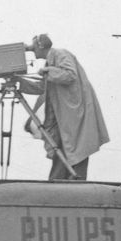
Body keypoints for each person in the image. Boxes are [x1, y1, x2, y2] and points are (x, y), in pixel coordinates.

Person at [14, 34, 109, 180]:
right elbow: (41, 88)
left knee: (77, 151)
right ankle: (58, 182)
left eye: (33, 47)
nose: (31, 50)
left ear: (40, 46)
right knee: (61, 149)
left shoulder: (60, 54)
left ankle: (74, 185)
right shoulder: (50, 62)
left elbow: (70, 75)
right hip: (62, 118)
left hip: (75, 115)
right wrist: (18, 81)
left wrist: (48, 71)